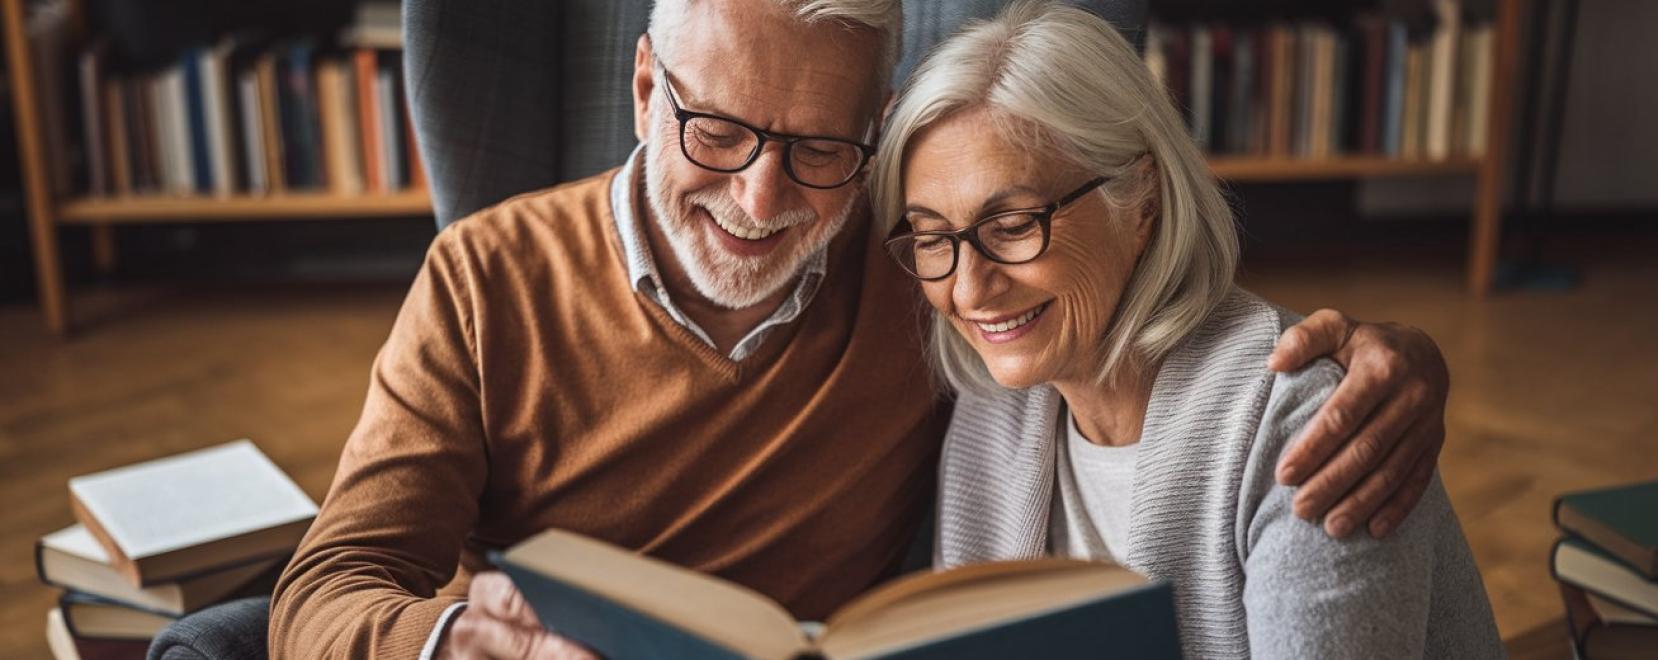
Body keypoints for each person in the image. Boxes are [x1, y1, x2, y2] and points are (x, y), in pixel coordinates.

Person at [270, 1, 1457, 657]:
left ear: (874, 135)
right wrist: (459, 655)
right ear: (644, 90)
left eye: (820, 150)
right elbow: (325, 588)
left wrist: (1400, 355)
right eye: (716, 131)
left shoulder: (922, 279)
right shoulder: (484, 277)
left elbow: (1132, 296)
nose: (762, 200)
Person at [868, 3, 1505, 658]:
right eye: (931, 237)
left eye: (1012, 225)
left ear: (1141, 199)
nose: (969, 289)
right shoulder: (992, 410)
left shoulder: (1305, 428)